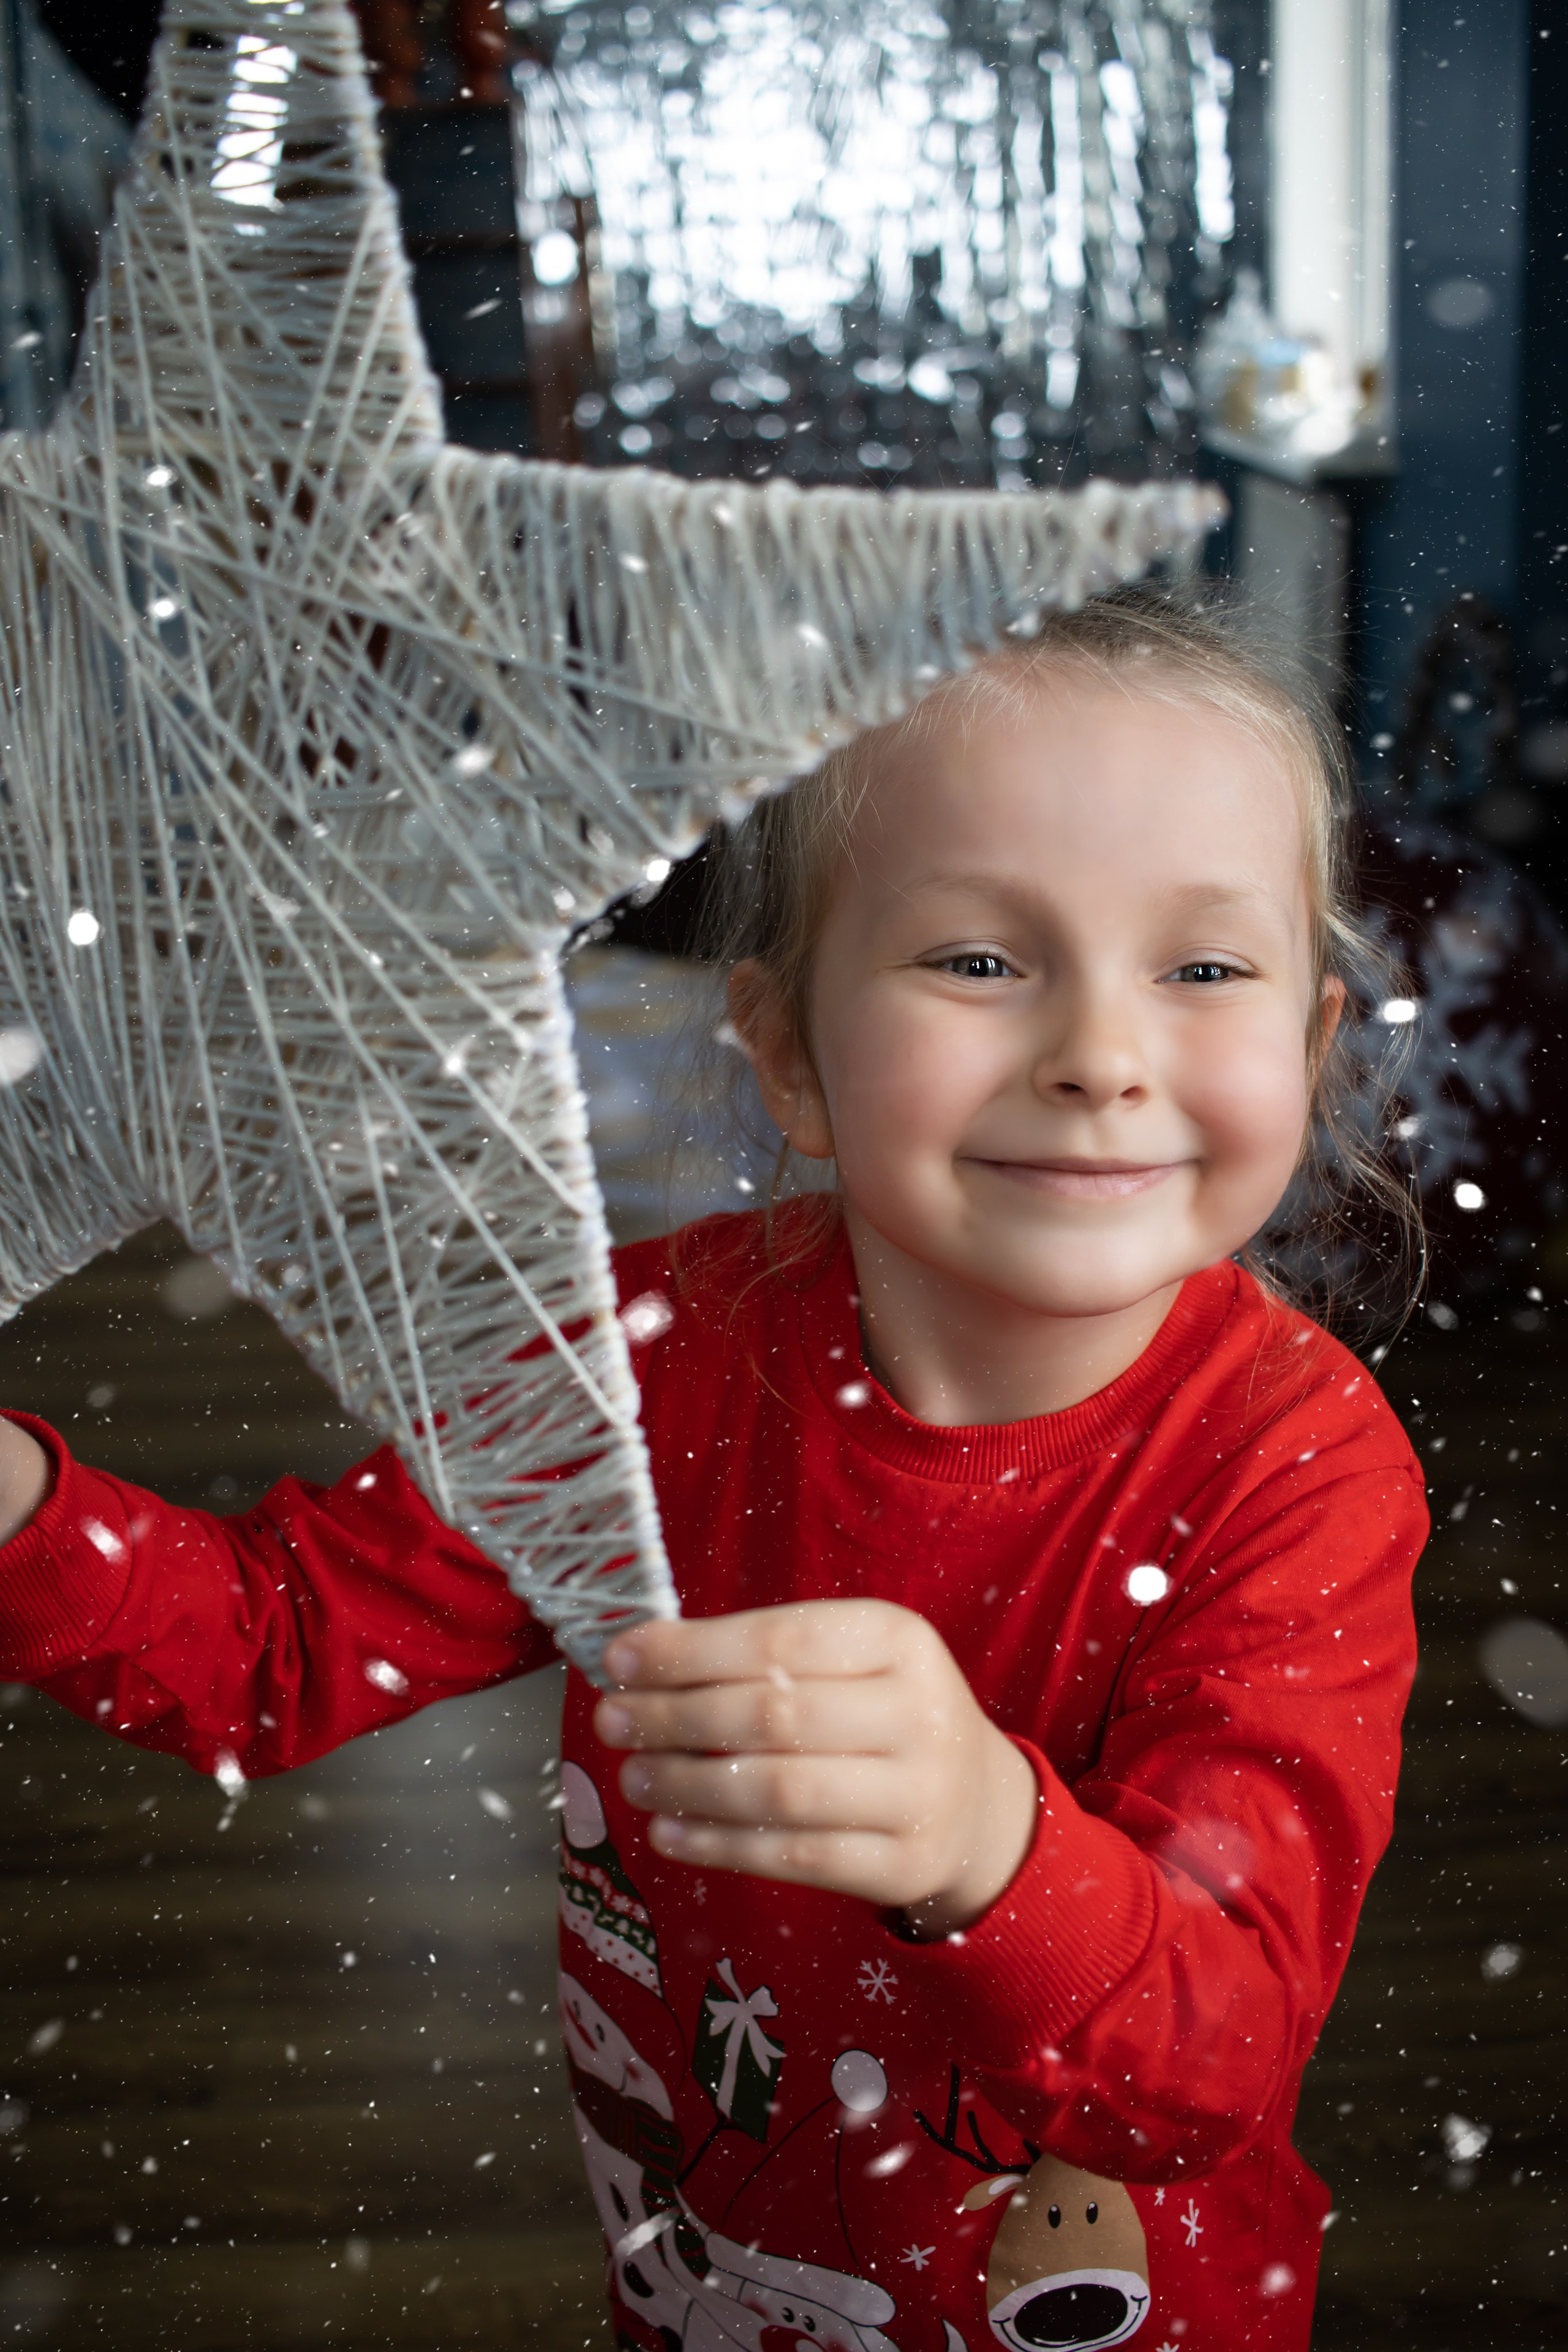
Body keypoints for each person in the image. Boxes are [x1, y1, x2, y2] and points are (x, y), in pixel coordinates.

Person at [0, 588, 1427, 2352]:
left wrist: (990, 1841)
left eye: (1204, 968)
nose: (1100, 1057)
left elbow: (1206, 2061)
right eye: (980, 960)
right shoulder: (643, 1365)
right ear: (785, 1055)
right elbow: (273, 1648)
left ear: (1308, 1047)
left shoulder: (1296, 1467)